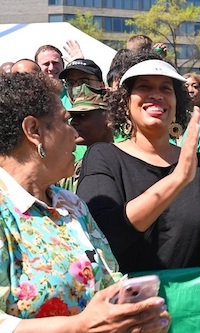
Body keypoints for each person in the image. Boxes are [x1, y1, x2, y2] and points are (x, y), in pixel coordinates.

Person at [0, 72, 170, 333]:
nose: (75, 134)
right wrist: (77, 327)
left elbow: (109, 283)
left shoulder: (72, 205)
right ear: (34, 131)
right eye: (66, 121)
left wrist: (132, 317)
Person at [76, 59, 200, 273]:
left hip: (189, 301)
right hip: (127, 301)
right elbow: (104, 234)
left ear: (177, 104)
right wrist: (178, 178)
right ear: (125, 102)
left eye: (166, 89)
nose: (156, 95)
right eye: (144, 87)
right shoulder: (103, 156)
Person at [59, 85, 113, 192]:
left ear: (109, 118)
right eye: (73, 116)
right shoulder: (71, 171)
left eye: (83, 115)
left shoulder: (124, 164)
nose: (73, 122)